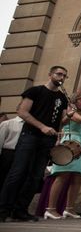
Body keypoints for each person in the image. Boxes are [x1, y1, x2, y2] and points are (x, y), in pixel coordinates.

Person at [0, 66, 69, 222]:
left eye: (64, 76)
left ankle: (21, 211)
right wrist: (42, 126)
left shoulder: (62, 98)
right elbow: (22, 112)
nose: (61, 78)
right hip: (30, 136)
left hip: (47, 141)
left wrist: (71, 115)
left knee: (36, 176)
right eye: (59, 74)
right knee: (17, 173)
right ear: (50, 74)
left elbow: (62, 121)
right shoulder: (35, 91)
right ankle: (3, 210)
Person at [0, 116, 25, 191]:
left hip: (23, 154)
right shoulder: (7, 123)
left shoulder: (32, 126)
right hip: (8, 154)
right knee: (2, 177)